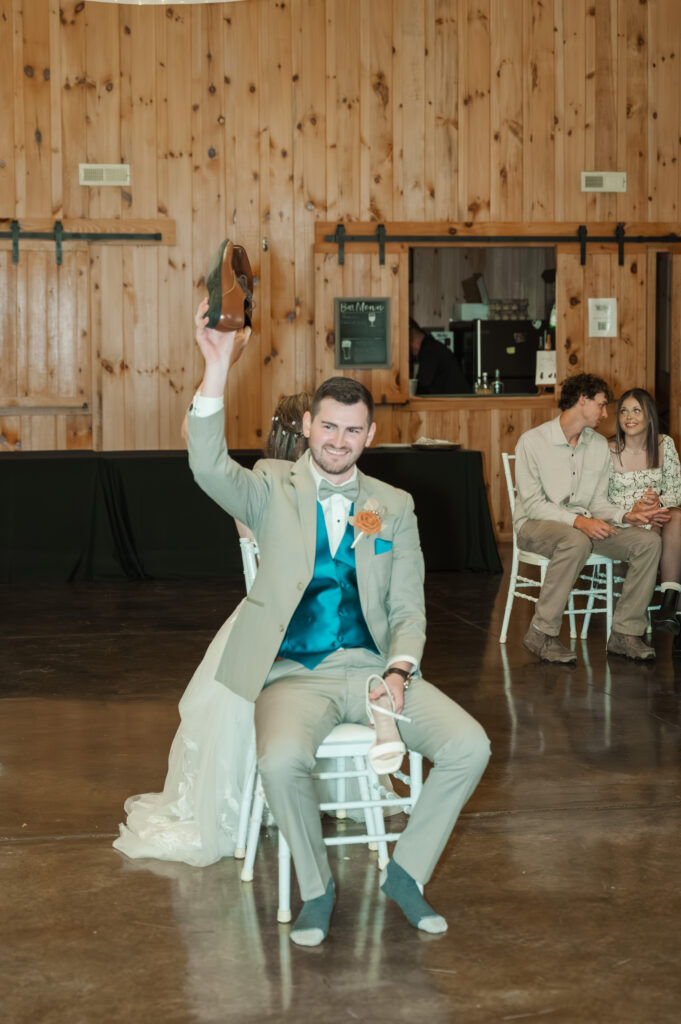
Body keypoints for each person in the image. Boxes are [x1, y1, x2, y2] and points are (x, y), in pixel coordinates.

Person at [187, 298, 490, 946]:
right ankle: (317, 888)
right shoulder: (270, 485)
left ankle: (405, 875)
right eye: (328, 427)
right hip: (293, 674)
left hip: (376, 671)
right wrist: (215, 367)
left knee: (469, 746)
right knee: (281, 758)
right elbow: (207, 467)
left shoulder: (392, 506)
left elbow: (408, 606)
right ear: (308, 425)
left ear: (368, 437)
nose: (338, 440)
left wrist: (400, 669)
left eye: (352, 431)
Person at [113, 390, 313, 866]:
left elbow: (191, 436)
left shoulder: (251, 489)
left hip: (260, 627)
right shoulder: (324, 490)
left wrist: (216, 375)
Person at [514, 373, 666, 665]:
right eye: (601, 405)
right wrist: (578, 523)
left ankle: (625, 633)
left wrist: (626, 515)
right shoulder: (532, 442)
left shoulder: (597, 445)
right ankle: (541, 634)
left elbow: (597, 503)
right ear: (582, 400)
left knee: (647, 542)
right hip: (536, 526)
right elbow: (533, 505)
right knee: (575, 540)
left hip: (583, 529)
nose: (607, 414)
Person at [607, 388, 681, 647]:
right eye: (624, 411)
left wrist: (657, 504)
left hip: (661, 518)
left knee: (675, 517)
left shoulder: (664, 444)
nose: (629, 416)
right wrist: (636, 509)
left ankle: (669, 603)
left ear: (649, 416)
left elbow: (675, 491)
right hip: (625, 523)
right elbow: (600, 500)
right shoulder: (608, 450)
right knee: (666, 530)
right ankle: (669, 610)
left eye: (637, 410)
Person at [409, 318, 469, 394]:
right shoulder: (433, 347)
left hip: (456, 403)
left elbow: (423, 385)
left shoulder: (430, 351)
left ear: (412, 340)